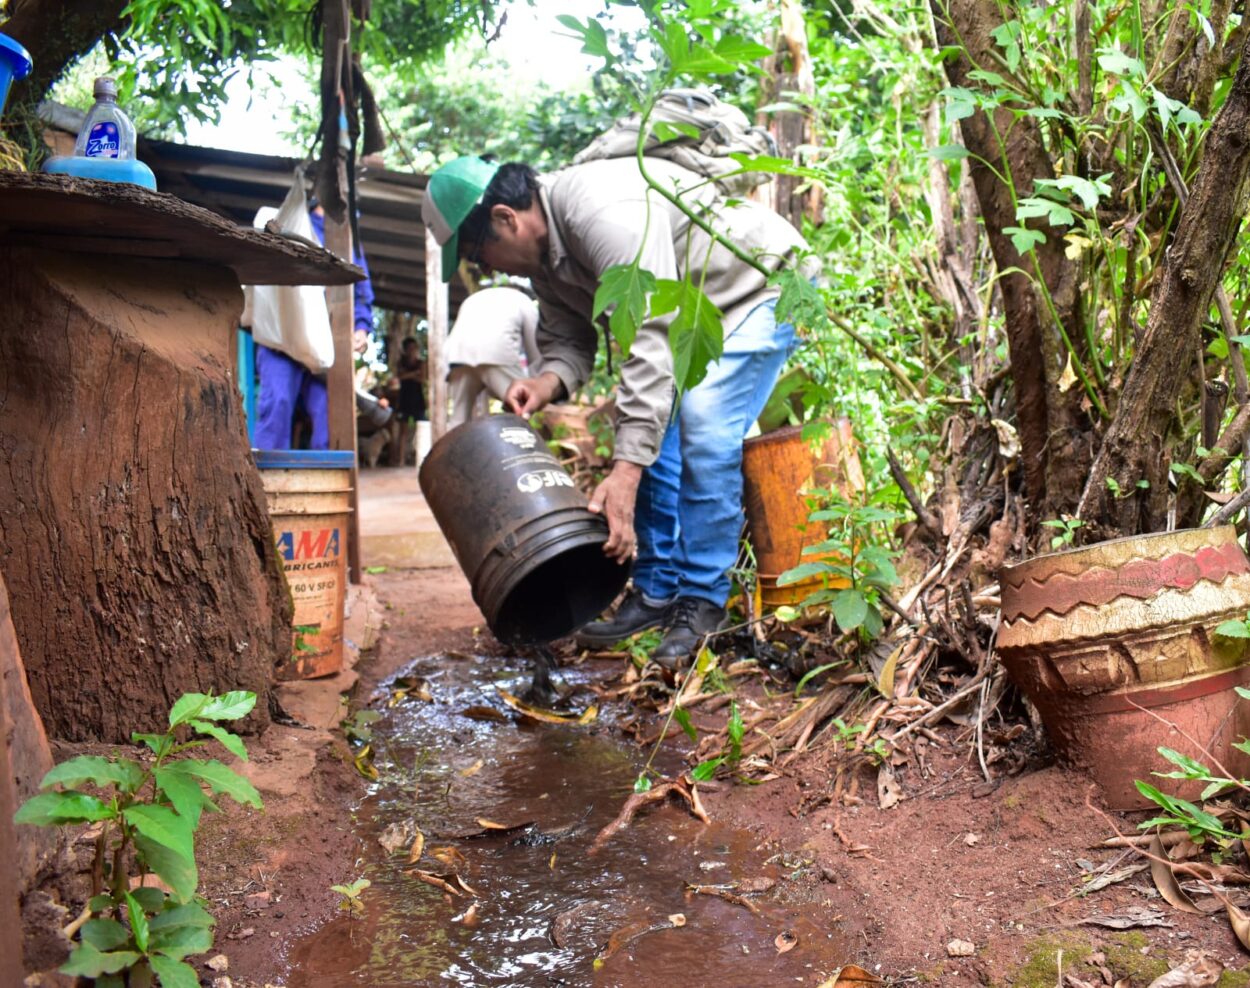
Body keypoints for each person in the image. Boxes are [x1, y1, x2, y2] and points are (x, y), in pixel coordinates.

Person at [422, 154, 811, 667]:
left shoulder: (596, 211)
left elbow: (649, 337)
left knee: (704, 422)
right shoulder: (548, 268)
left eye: (478, 255)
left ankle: (703, 603)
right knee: (657, 440)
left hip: (760, 286)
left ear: (504, 218)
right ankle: (656, 593)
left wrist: (624, 473)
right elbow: (569, 342)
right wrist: (544, 384)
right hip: (690, 315)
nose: (485, 270)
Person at [252, 202, 375, 450]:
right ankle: (265, 481)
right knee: (278, 403)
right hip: (283, 340)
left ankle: (328, 484)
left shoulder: (350, 242)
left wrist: (361, 328)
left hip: (324, 346)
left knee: (330, 412)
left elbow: (361, 293)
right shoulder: (294, 225)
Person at [445, 285, 541, 427]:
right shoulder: (523, 300)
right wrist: (538, 381)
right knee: (521, 408)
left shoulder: (474, 298)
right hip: (496, 354)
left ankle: (453, 449)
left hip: (458, 357)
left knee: (458, 419)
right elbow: (534, 347)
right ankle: (522, 447)